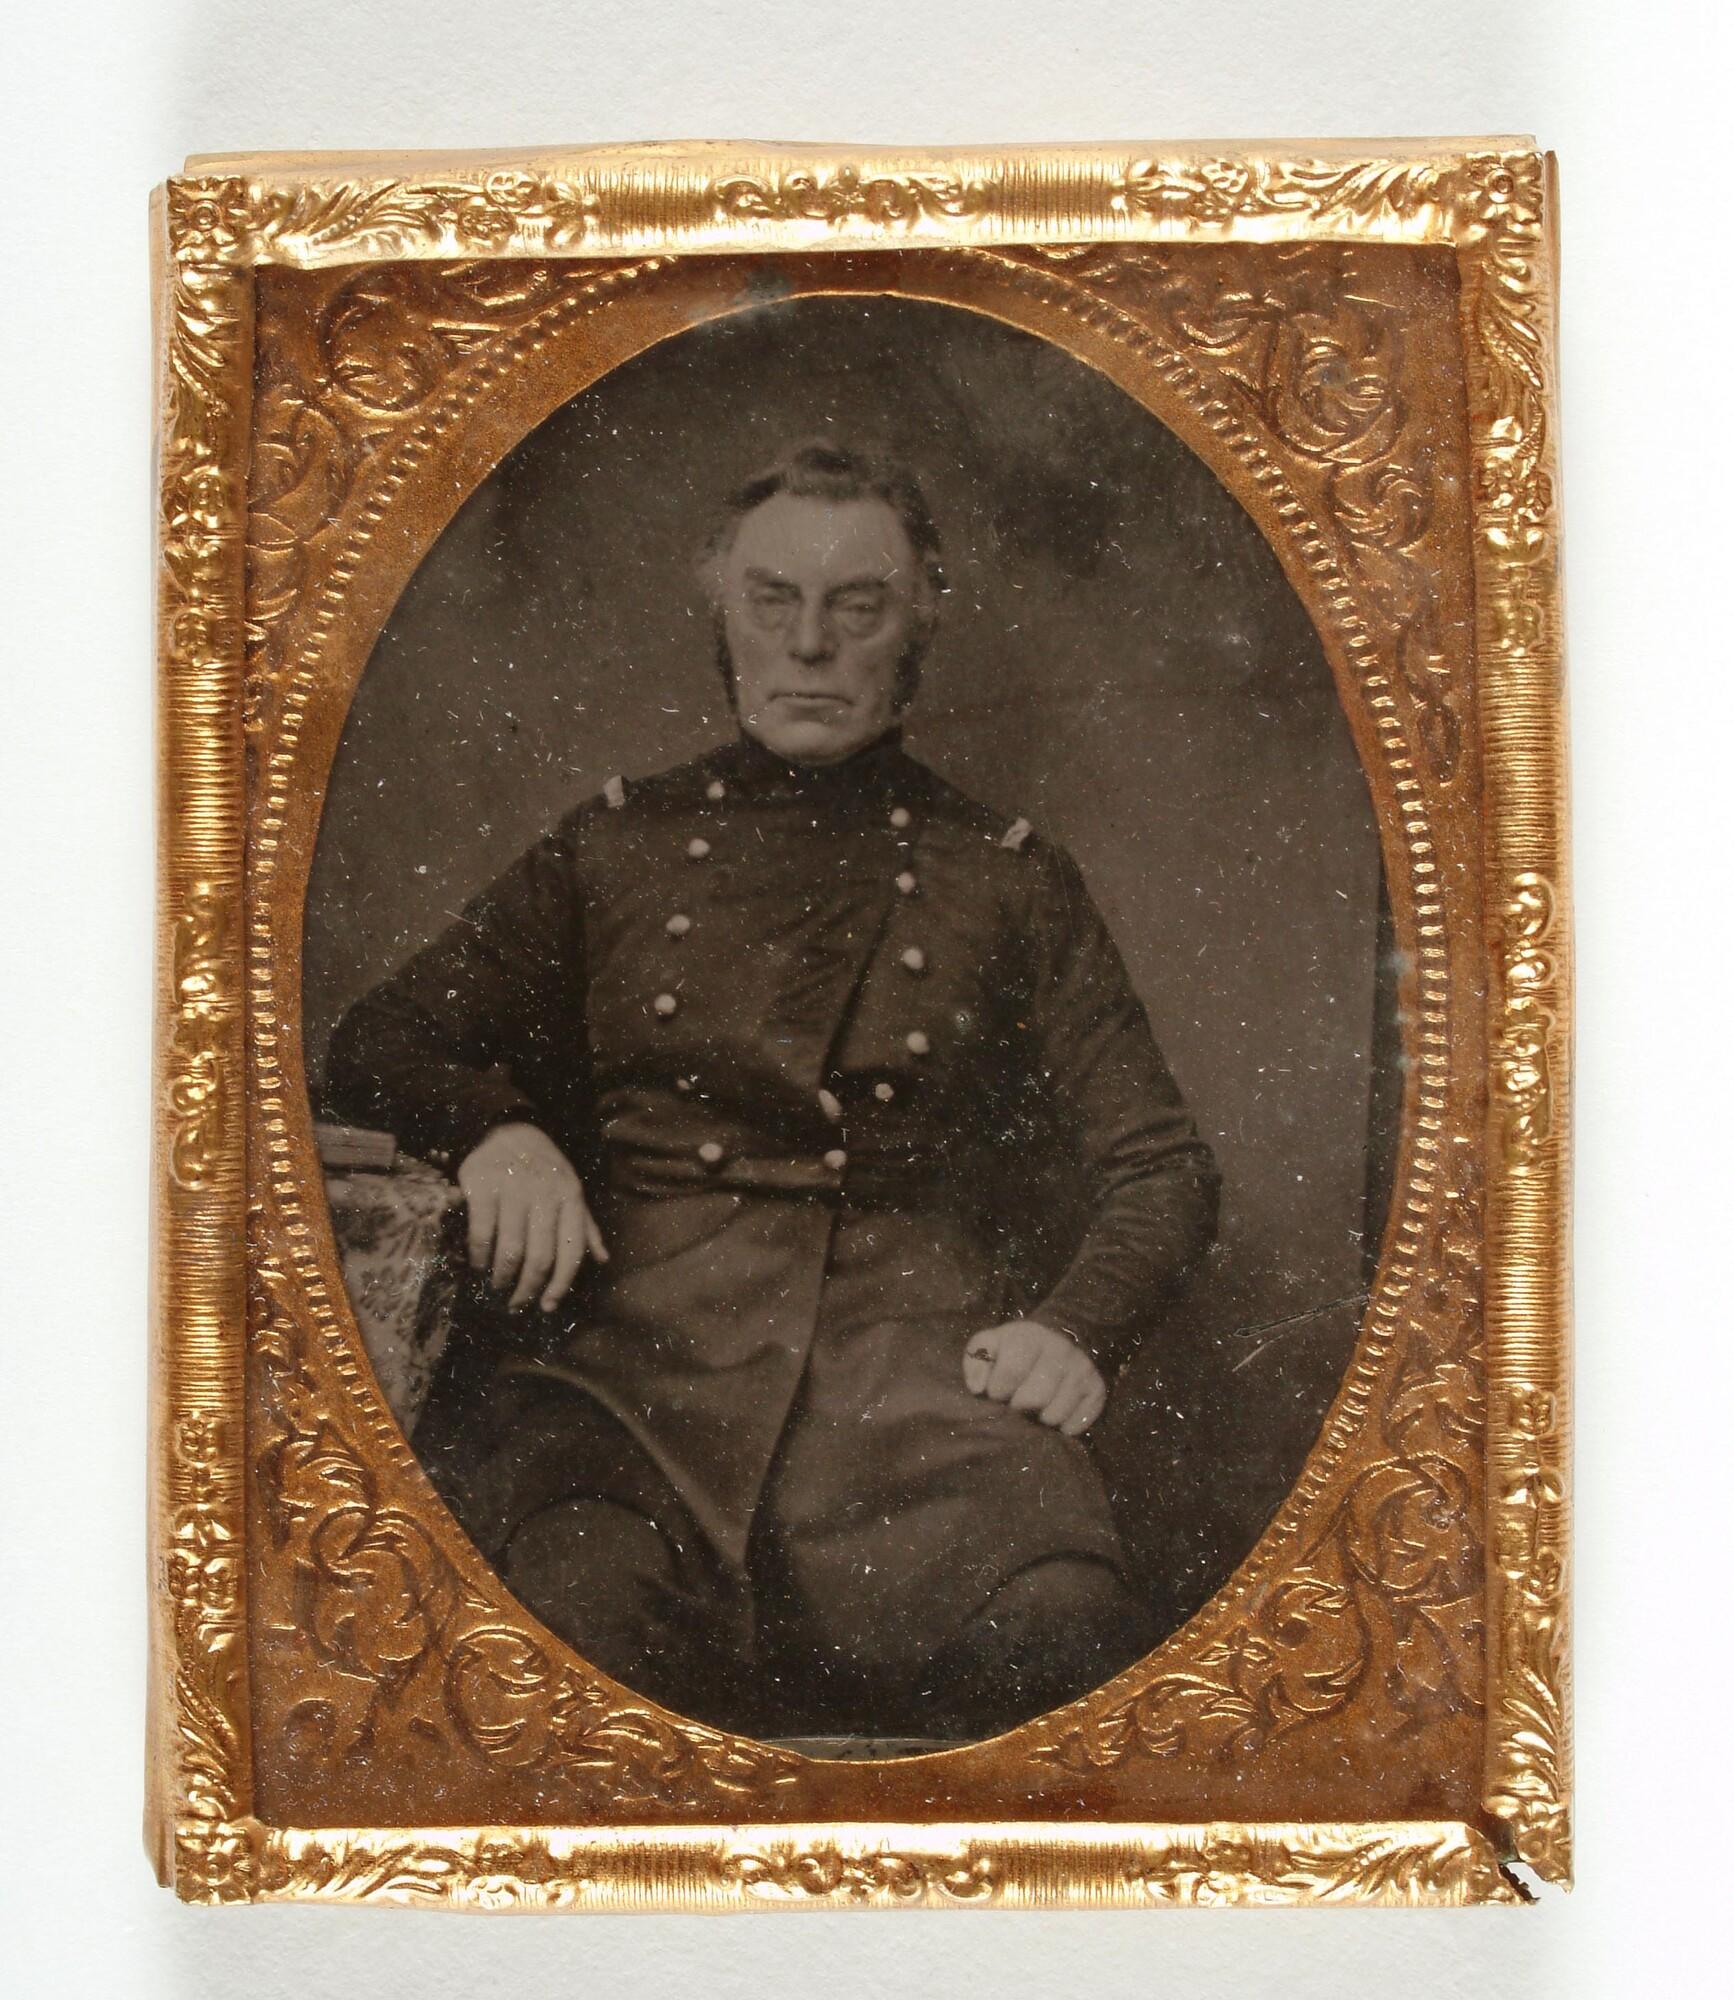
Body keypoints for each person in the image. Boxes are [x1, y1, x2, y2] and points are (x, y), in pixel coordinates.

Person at [325, 440, 1220, 1745]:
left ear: (920, 622)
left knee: (1061, 1634)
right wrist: (496, 1132)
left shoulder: (1007, 876)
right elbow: (375, 1041)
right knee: (570, 1646)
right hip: (631, 1392)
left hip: (916, 1401)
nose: (808, 644)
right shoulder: (614, 845)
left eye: (856, 606)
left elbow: (1161, 1166)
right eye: (772, 600)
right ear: (722, 611)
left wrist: (1074, 1330)